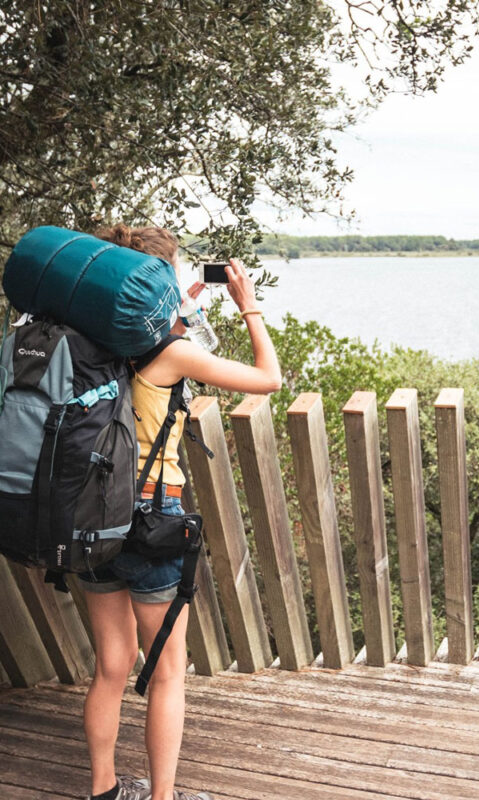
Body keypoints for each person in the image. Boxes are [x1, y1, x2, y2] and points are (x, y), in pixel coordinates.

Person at [78, 224, 281, 800]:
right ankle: (163, 797)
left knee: (110, 667)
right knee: (166, 672)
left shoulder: (85, 338)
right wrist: (250, 307)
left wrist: (184, 309)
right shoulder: (170, 351)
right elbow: (268, 378)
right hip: (152, 517)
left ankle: (104, 790)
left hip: (91, 516)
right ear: (156, 280)